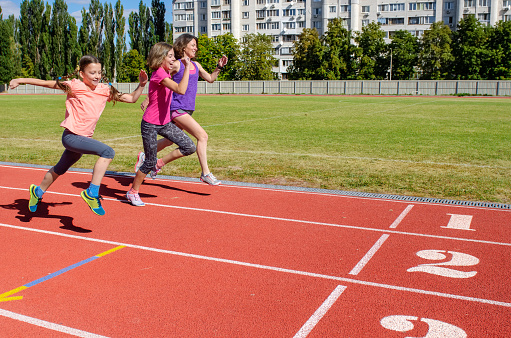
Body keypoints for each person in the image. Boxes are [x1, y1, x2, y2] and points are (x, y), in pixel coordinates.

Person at [9, 55, 148, 216]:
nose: (97, 76)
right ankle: (92, 193)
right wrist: (19, 79)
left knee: (59, 169)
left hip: (82, 140)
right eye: (92, 73)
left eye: (99, 72)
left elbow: (131, 99)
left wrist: (142, 85)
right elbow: (45, 83)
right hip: (71, 137)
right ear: (82, 74)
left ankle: (37, 192)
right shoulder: (74, 86)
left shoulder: (104, 90)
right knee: (108, 152)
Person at [138, 33, 228, 186]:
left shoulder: (196, 65)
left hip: (187, 109)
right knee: (202, 136)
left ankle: (148, 158)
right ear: (184, 47)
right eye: (193, 45)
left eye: (196, 45)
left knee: (168, 141)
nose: (196, 48)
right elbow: (159, 80)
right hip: (176, 108)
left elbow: (211, 79)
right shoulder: (177, 64)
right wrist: (148, 98)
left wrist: (219, 67)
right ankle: (205, 173)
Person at [126, 42, 197, 206]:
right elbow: (180, 89)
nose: (174, 59)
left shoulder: (165, 72)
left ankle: (159, 163)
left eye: (174, 56)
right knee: (148, 162)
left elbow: (157, 92)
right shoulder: (159, 74)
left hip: (164, 123)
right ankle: (133, 191)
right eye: (170, 56)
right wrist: (187, 68)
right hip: (150, 124)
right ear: (160, 57)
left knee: (189, 146)